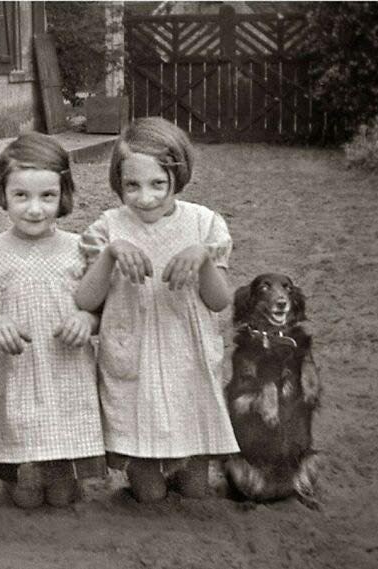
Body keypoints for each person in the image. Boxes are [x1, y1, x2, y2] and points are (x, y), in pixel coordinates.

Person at [75, 117, 239, 503]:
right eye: (132, 185)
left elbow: (219, 302)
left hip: (188, 354)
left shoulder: (204, 224)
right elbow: (86, 301)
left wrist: (202, 258)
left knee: (196, 489)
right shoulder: (107, 228)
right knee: (148, 493)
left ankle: (190, 474)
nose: (145, 197)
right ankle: (142, 478)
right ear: (118, 182)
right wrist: (111, 255)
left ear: (177, 178)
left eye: (157, 185)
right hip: (134, 354)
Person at [0, 133, 106, 509]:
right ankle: (18, 476)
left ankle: (63, 479)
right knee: (25, 497)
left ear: (63, 194)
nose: (34, 209)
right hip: (13, 377)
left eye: (47, 196)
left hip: (65, 376)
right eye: (21, 196)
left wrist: (85, 319)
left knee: (62, 495)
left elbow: (98, 312)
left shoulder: (81, 249)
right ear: (2, 193)